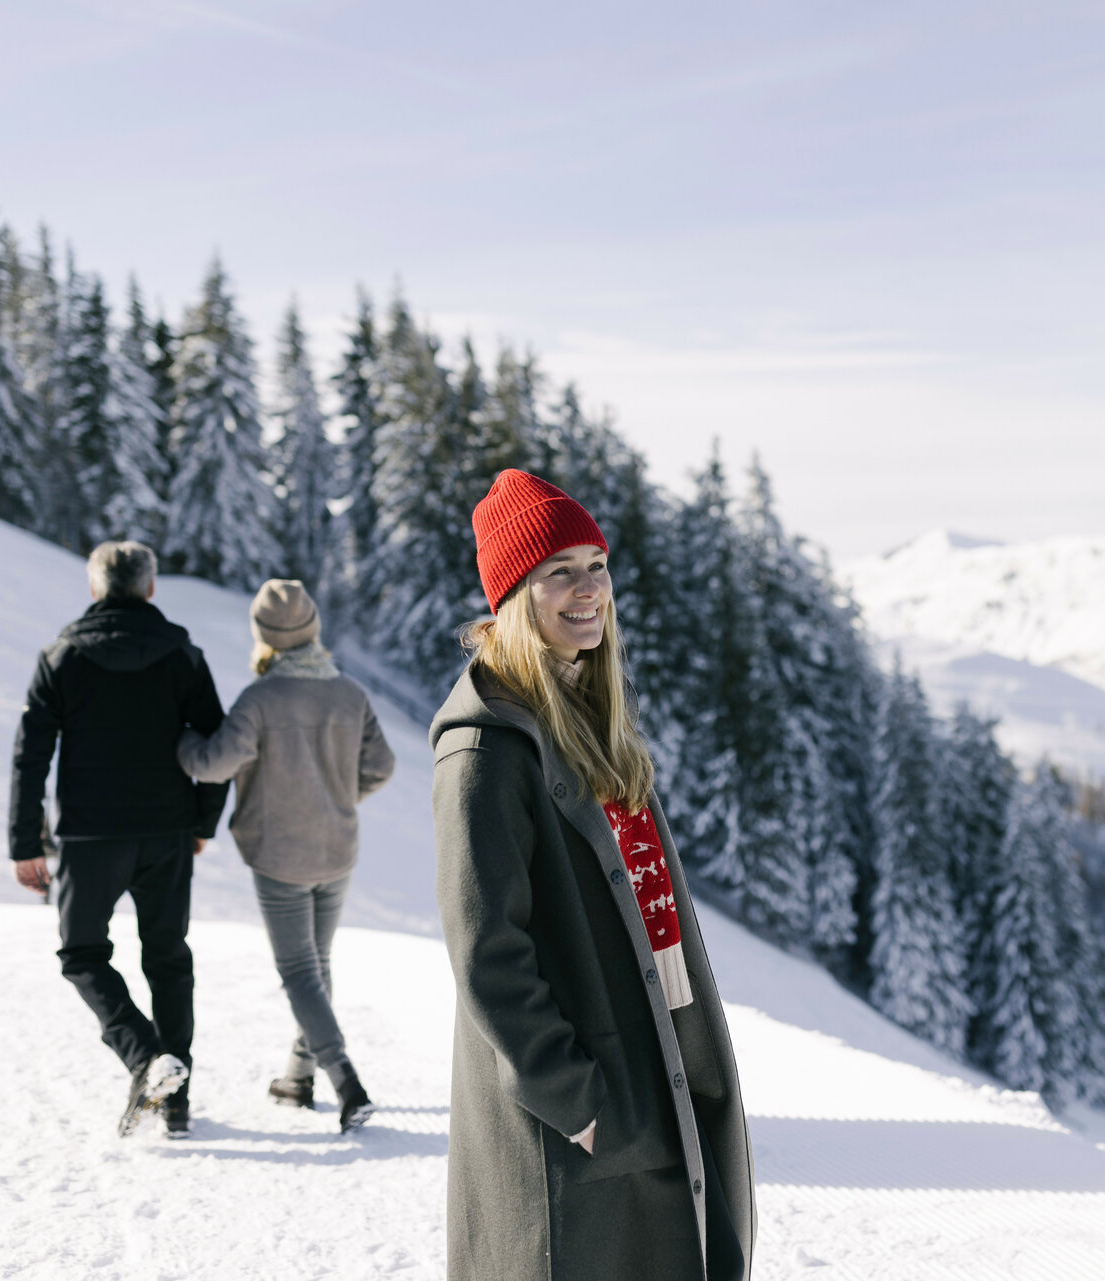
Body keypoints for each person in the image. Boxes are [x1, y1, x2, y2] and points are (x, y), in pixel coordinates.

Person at [430, 469, 754, 1281]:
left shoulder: (589, 715)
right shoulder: (486, 751)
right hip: (580, 1104)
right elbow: (486, 950)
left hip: (654, 1057)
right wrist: (574, 1098)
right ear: (514, 595)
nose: (587, 589)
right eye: (557, 572)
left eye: (596, 564)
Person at [9, 540, 229, 1139]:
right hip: (166, 832)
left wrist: (26, 841)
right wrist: (202, 824)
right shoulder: (183, 654)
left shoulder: (63, 656)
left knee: (81, 954)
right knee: (168, 957)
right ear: (149, 588)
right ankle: (176, 1096)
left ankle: (143, 1058)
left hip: (89, 836)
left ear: (95, 588)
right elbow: (218, 746)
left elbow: (31, 755)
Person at [176, 579, 395, 1133]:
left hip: (280, 857)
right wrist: (341, 800)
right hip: (338, 849)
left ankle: (346, 1081)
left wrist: (178, 740)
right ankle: (298, 1078)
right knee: (317, 967)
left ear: (265, 637)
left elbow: (212, 764)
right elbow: (382, 766)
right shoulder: (348, 693)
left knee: (300, 971)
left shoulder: (261, 698)